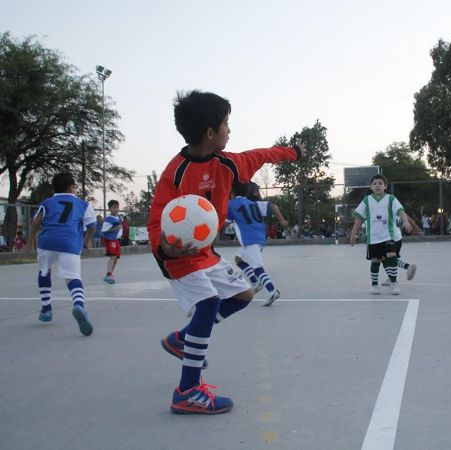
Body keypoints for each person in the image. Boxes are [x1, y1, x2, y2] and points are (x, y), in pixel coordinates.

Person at [148, 90, 307, 414]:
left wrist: (294, 153)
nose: (229, 130)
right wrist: (165, 250)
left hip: (206, 252)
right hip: (178, 256)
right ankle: (187, 391)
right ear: (210, 132)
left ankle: (183, 339)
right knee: (208, 304)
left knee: (243, 295)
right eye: (226, 124)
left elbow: (263, 154)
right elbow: (156, 219)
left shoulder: (229, 163)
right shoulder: (175, 172)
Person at [25, 172, 97, 334]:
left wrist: (29, 244)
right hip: (69, 243)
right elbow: (92, 226)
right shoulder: (83, 204)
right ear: (71, 187)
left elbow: (35, 223)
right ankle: (78, 305)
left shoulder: (47, 203)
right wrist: (86, 241)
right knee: (73, 277)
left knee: (44, 272)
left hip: (46, 242)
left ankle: (46, 309)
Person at [226, 181, 289, 306]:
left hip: (250, 239)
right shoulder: (253, 203)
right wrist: (282, 220)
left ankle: (272, 290)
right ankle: (256, 283)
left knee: (257, 267)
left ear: (232, 193)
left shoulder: (231, 204)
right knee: (239, 259)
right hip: (260, 237)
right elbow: (272, 206)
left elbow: (225, 220)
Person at [349, 174, 413, 295]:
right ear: (371, 187)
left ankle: (394, 283)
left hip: (388, 235)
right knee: (376, 260)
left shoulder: (391, 199)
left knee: (392, 256)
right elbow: (359, 217)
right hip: (373, 237)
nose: (377, 185)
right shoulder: (367, 200)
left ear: (385, 186)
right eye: (375, 184)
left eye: (380, 183)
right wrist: (353, 233)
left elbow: (400, 211)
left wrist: (406, 221)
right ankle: (374, 285)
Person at [380, 214, 419, 287]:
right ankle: (391, 278)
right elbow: (404, 214)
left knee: (385, 259)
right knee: (392, 259)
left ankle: (407, 267)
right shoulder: (397, 207)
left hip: (388, 237)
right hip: (398, 237)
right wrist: (414, 226)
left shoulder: (385, 207)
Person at [101, 200, 122, 283]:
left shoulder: (118, 218)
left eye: (117, 207)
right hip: (110, 239)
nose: (116, 209)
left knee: (115, 259)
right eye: (114, 207)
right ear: (110, 209)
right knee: (113, 256)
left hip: (115, 239)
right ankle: (108, 274)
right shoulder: (108, 219)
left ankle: (109, 274)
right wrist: (114, 229)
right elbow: (104, 231)